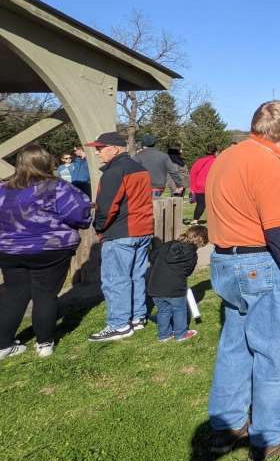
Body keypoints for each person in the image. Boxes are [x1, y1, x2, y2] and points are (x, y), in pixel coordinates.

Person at [206, 101, 280, 461]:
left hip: (225, 262)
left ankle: (227, 425)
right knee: (278, 353)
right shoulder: (268, 166)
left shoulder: (228, 157)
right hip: (262, 264)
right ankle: (268, 437)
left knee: (236, 346)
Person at [0, 145, 92, 359]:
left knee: (14, 294)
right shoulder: (59, 188)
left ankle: (3, 344)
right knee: (45, 295)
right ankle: (44, 344)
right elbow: (80, 215)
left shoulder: (3, 189)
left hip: (9, 250)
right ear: (47, 162)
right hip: (50, 249)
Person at [86, 132, 155, 342]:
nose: (97, 153)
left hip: (121, 232)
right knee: (136, 276)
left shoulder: (115, 171)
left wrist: (99, 228)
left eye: (100, 148)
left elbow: (107, 207)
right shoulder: (140, 168)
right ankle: (136, 317)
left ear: (115, 148)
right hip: (142, 230)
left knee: (116, 279)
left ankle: (119, 324)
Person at [147, 225, 208, 342]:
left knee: (163, 310)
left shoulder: (168, 244)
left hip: (155, 286)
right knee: (179, 309)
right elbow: (188, 271)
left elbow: (153, 256)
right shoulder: (192, 254)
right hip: (175, 288)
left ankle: (164, 335)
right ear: (201, 242)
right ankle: (181, 334)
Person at [188, 144, 218, 223]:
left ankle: (195, 220)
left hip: (199, 186)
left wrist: (193, 188)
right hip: (210, 186)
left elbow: (193, 173)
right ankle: (215, 221)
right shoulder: (216, 161)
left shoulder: (200, 161)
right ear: (216, 152)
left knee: (200, 204)